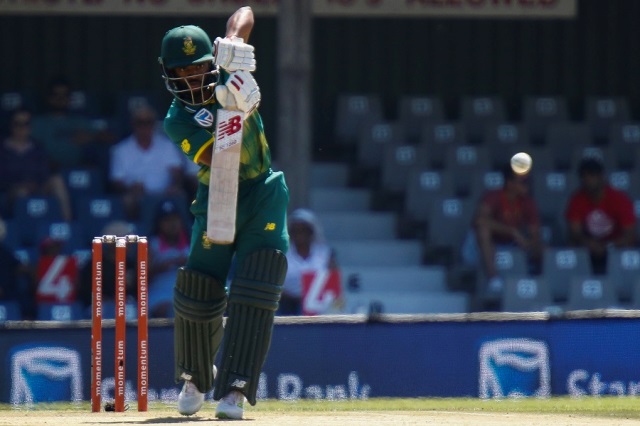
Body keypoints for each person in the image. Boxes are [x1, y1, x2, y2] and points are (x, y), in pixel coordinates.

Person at [158, 7, 289, 420]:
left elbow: (245, 13)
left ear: (208, 63)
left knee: (258, 284)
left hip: (262, 192)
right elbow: (219, 157)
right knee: (199, 287)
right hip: (218, 192)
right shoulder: (177, 120)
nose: (191, 80)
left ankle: (234, 388)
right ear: (170, 75)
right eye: (181, 74)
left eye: (197, 69)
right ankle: (195, 377)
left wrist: (233, 43)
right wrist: (237, 111)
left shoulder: (227, 69)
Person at [463, 165, 543, 294]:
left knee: (545, 248)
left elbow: (535, 235)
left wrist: (529, 244)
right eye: (522, 181)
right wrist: (512, 231)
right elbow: (479, 221)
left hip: (508, 246)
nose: (527, 184)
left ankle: (537, 285)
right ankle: (493, 279)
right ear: (509, 183)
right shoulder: (493, 196)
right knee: (483, 230)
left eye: (528, 181)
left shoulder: (528, 202)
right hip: (479, 248)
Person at [109, 104, 193, 219]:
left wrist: (175, 185)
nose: (145, 127)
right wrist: (131, 189)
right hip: (138, 195)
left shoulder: (166, 145)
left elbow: (176, 171)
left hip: (165, 192)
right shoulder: (121, 150)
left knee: (180, 194)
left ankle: (185, 234)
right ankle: (136, 229)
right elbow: (117, 181)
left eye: (148, 122)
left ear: (154, 124)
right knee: (127, 200)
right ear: (133, 124)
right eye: (140, 122)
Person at [565, 157, 636, 274]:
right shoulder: (577, 200)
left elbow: (630, 233)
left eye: (592, 176)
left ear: (601, 177)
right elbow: (574, 232)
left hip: (615, 250)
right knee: (571, 244)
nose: (588, 180)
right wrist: (589, 243)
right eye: (584, 177)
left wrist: (608, 246)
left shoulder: (619, 199)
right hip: (587, 251)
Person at [0, 109, 72, 221]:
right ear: (11, 125)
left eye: (26, 124)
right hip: (12, 191)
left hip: (37, 186)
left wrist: (35, 184)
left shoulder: (37, 147)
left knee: (57, 181)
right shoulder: (3, 148)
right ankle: (22, 229)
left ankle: (67, 224)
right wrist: (21, 184)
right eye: (17, 124)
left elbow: (44, 172)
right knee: (21, 192)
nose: (21, 128)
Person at [30, 77, 100, 172]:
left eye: (65, 95)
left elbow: (111, 137)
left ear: (69, 98)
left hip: (76, 171)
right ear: (49, 98)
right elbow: (26, 149)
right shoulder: (38, 122)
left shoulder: (78, 121)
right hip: (46, 171)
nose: (60, 99)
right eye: (56, 95)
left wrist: (91, 137)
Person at [279, 208, 339, 316]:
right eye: (295, 230)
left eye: (303, 230)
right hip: (287, 305)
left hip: (319, 306)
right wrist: (299, 298)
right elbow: (276, 284)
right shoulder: (283, 254)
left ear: (311, 231)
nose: (299, 234)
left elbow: (333, 282)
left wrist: (311, 298)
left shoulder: (325, 254)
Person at [147, 198, 190, 318]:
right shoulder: (152, 244)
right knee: (170, 310)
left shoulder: (192, 242)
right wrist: (162, 266)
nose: (172, 224)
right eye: (167, 220)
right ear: (159, 224)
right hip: (160, 294)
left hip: (188, 293)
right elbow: (141, 276)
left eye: (175, 219)